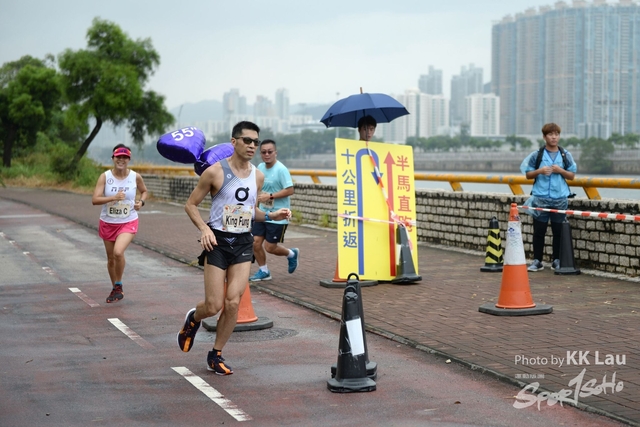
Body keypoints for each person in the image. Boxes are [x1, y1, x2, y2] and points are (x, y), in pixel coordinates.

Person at [177, 121, 292, 375]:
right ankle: (193, 319)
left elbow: (250, 211)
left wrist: (272, 215)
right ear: (234, 142)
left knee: (232, 303)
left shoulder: (257, 176)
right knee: (213, 305)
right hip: (217, 241)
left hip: (242, 242)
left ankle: (215, 354)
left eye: (255, 142)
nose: (252, 146)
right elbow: (190, 205)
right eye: (247, 140)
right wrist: (204, 229)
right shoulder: (214, 172)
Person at [92, 144, 148, 303]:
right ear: (113, 158)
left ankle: (118, 284)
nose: (121, 160)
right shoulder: (105, 177)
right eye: (118, 157)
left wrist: (141, 202)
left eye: (125, 157)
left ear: (129, 159)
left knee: (118, 252)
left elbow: (144, 191)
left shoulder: (135, 176)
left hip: (128, 220)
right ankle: (116, 288)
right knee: (111, 259)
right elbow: (95, 199)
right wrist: (113, 198)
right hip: (108, 221)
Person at [520, 123, 577, 271]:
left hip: (559, 199)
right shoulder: (537, 155)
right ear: (544, 137)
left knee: (558, 232)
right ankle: (537, 261)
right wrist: (539, 171)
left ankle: (556, 260)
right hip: (540, 198)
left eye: (556, 134)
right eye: (550, 134)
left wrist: (560, 170)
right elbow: (528, 174)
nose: (554, 137)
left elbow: (571, 175)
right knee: (539, 231)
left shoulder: (565, 155)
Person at [249, 139, 298, 282]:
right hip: (263, 213)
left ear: (275, 153)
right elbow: (258, 189)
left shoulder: (281, 170)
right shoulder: (260, 167)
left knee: (270, 247)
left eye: (270, 152)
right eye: (263, 152)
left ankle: (291, 254)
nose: (267, 155)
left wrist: (270, 196)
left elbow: (290, 190)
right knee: (255, 242)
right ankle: (264, 271)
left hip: (279, 215)